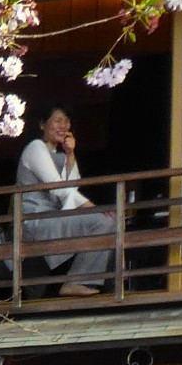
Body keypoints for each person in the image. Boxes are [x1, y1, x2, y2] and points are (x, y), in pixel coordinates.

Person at [17, 105, 115, 295]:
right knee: (102, 220)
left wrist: (70, 154)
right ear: (42, 125)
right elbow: (60, 189)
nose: (64, 125)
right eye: (57, 120)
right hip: (37, 220)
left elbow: (72, 187)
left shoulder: (60, 156)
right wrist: (92, 208)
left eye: (67, 121)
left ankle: (104, 284)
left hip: (56, 216)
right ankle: (75, 281)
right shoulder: (35, 147)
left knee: (111, 221)